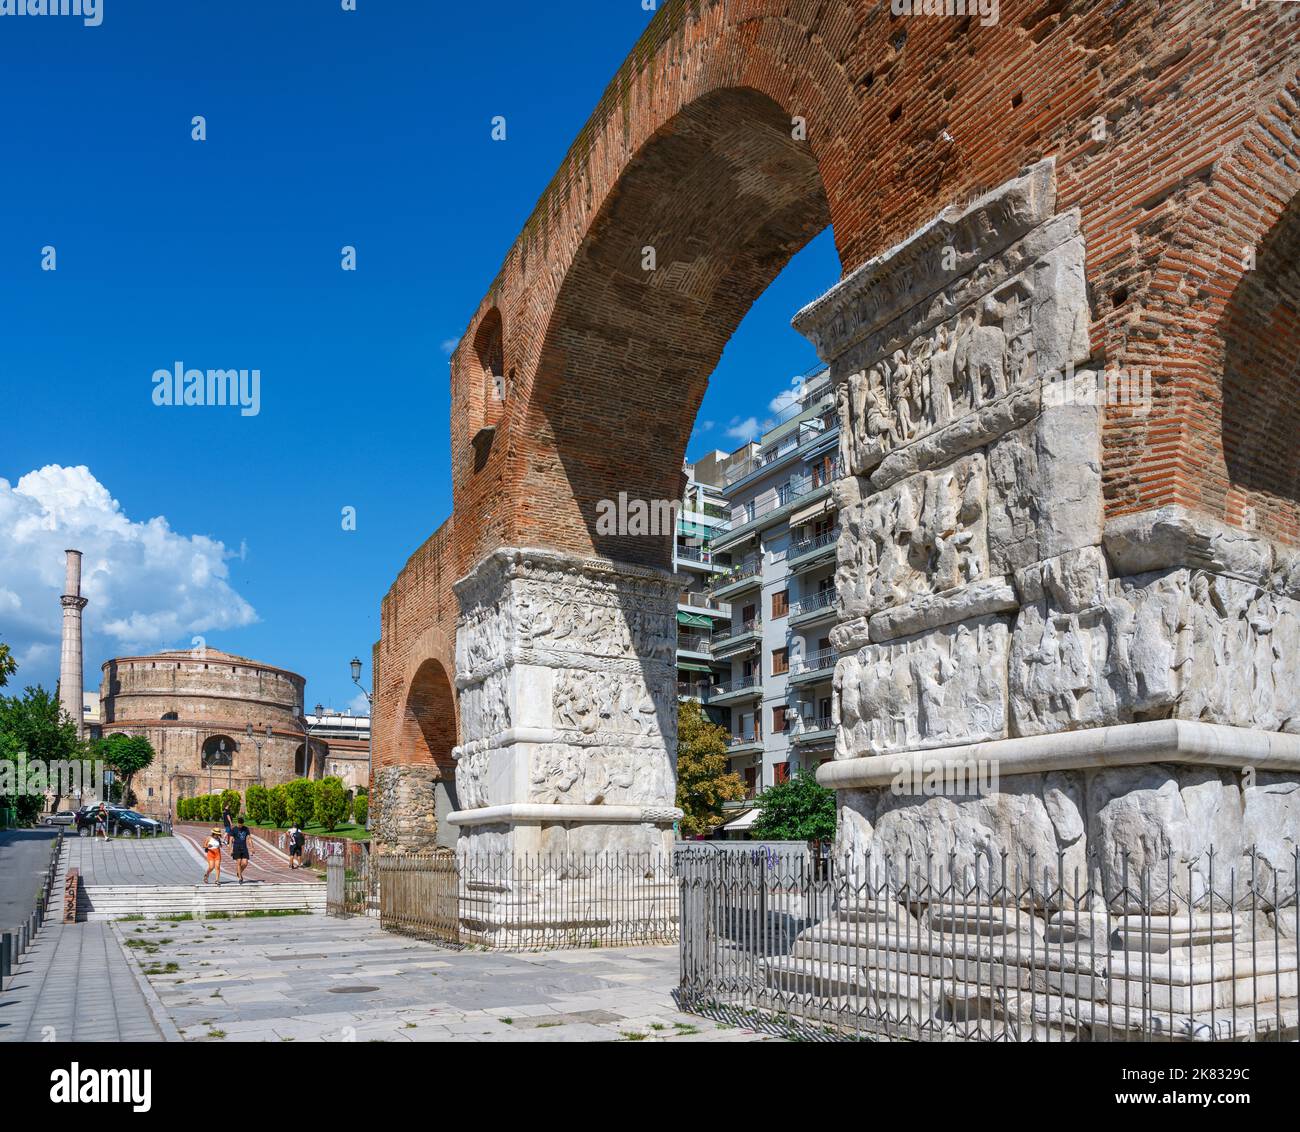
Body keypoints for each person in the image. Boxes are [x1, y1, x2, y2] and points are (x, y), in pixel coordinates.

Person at [227, 815, 254, 884]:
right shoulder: (234, 829)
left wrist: (252, 847)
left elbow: (249, 838)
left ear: (243, 823)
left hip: (244, 847)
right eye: (239, 825)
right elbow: (230, 840)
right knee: (238, 862)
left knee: (245, 863)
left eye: (241, 825)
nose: (240, 826)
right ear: (237, 823)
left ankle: (239, 872)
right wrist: (230, 849)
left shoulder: (246, 829)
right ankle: (240, 878)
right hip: (236, 847)